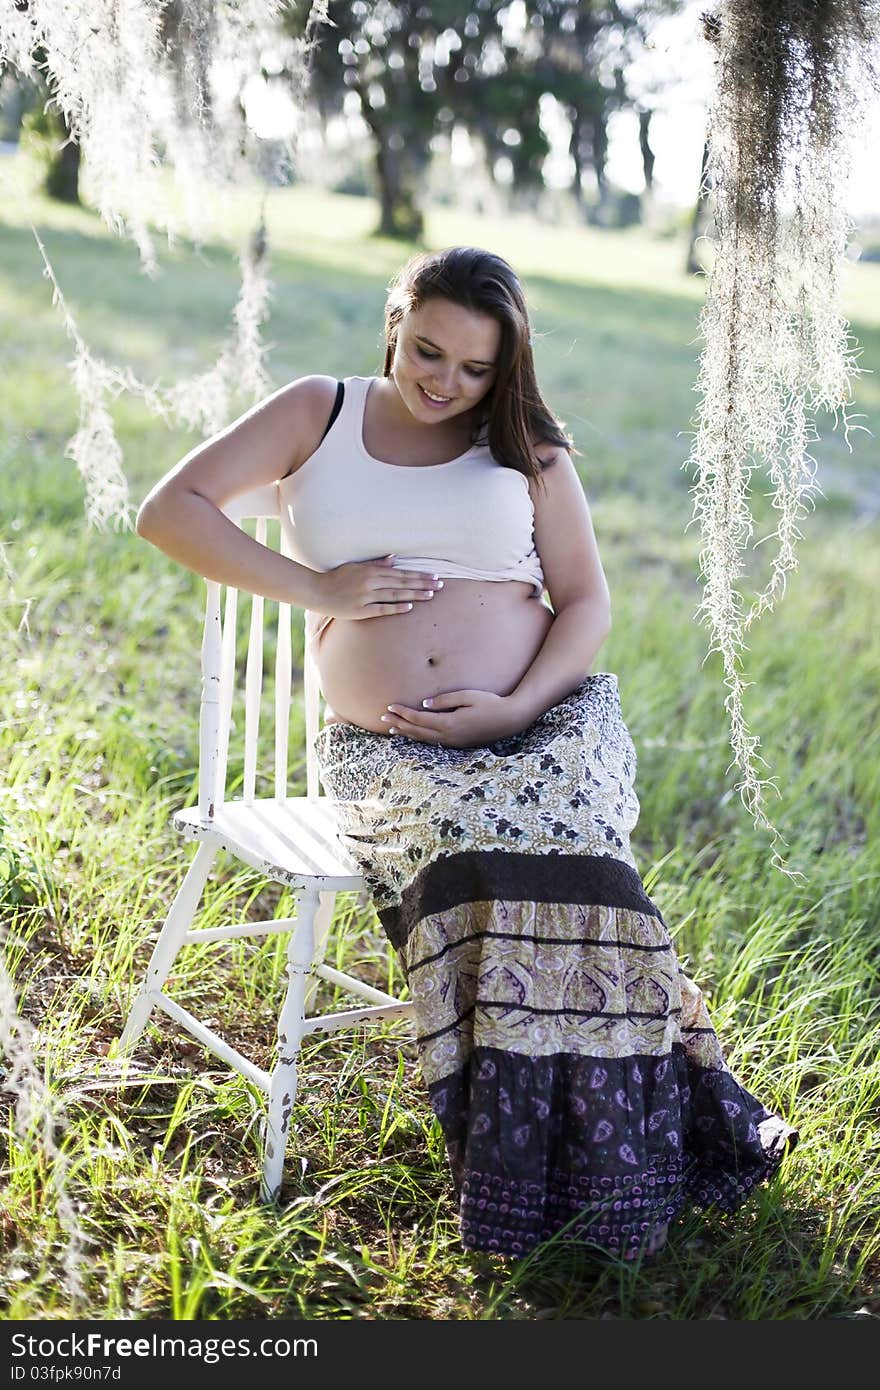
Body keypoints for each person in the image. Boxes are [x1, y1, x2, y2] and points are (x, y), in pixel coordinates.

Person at [136, 244, 798, 1262]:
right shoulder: (320, 408)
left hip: (538, 720)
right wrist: (319, 590)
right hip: (389, 751)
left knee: (574, 859)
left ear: (506, 368)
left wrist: (512, 706)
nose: (445, 381)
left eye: (474, 368)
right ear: (395, 323)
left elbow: (585, 601)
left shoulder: (522, 441)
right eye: (428, 350)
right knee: (476, 846)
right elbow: (168, 510)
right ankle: (526, 1165)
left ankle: (636, 1150)